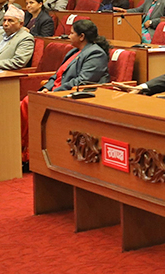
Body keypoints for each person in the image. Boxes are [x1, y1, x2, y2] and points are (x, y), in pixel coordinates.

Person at [19, 19, 111, 168]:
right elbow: (56, 75)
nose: (68, 36)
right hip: (57, 91)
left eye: (72, 33)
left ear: (82, 36)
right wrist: (47, 88)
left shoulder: (95, 53)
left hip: (72, 95)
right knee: (27, 103)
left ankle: (28, 155)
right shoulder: (74, 51)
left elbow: (82, 82)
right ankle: (23, 152)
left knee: (29, 103)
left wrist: (54, 92)